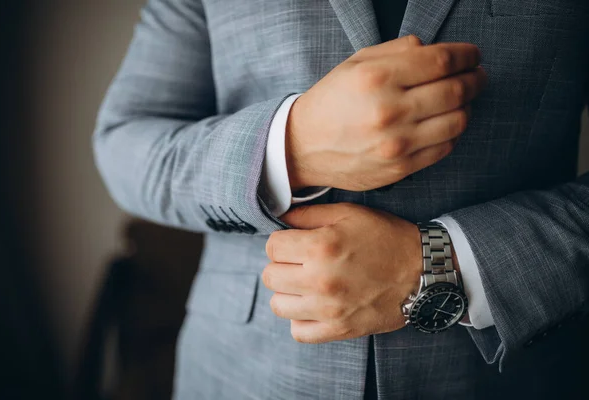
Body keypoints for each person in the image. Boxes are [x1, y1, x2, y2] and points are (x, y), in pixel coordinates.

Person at [93, 0, 589, 398]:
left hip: (512, 374)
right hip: (240, 375)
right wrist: (292, 146)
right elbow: (125, 142)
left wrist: (444, 265)